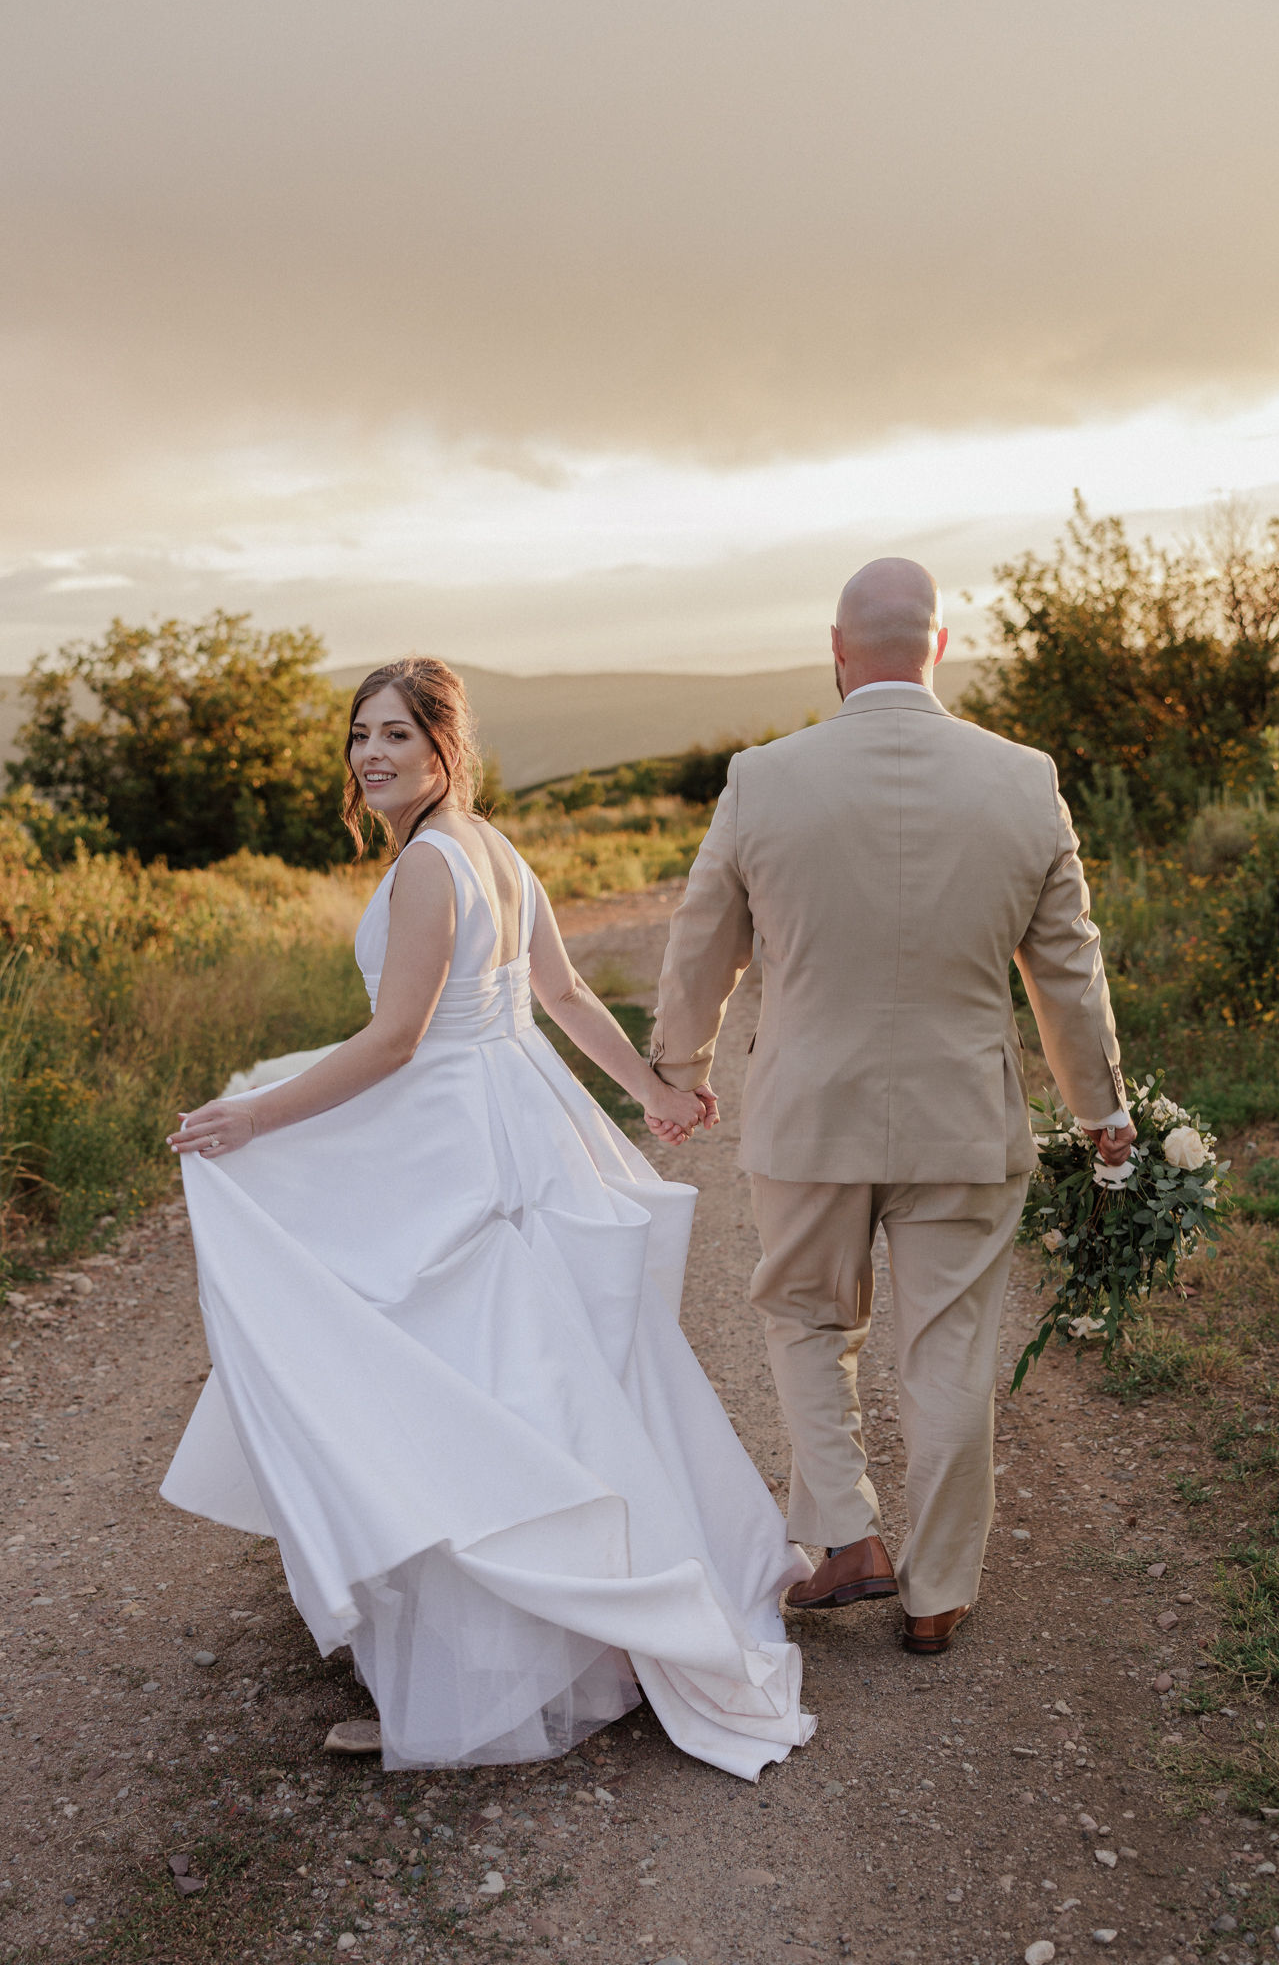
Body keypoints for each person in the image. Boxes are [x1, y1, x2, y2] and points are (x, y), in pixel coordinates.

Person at [160, 657, 815, 1779]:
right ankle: (581, 1621)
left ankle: (492, 1658)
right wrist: (648, 1089)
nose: (371, 755)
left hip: (458, 1134)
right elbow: (555, 996)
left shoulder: (428, 865)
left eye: (396, 737)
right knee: (547, 1381)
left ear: (444, 746)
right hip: (517, 1112)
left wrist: (260, 1116)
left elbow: (399, 1038)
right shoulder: (495, 846)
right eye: (359, 735)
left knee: (469, 1386)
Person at [648, 559, 1133, 1655]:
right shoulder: (1022, 779)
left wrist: (678, 1065)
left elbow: (700, 939)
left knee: (806, 1317)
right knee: (949, 1349)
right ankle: (937, 1591)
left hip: (807, 1110)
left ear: (833, 648)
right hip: (962, 1116)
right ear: (939, 646)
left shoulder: (762, 777)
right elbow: (1067, 968)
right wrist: (1097, 1104)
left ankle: (842, 1535)